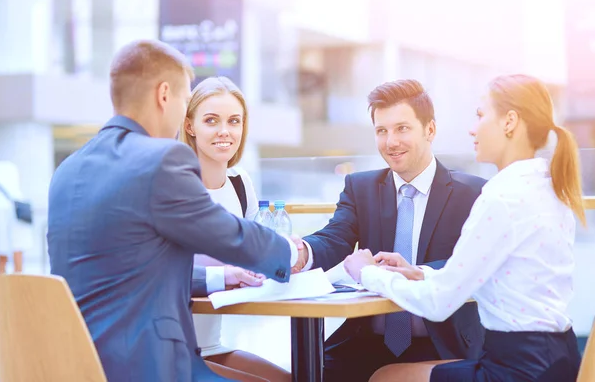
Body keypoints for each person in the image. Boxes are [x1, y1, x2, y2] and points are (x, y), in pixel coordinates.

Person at [48, 40, 303, 382]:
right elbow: (228, 235)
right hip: (151, 367)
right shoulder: (163, 159)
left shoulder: (68, 169)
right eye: (185, 101)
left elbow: (131, 271)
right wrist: (291, 250)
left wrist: (220, 276)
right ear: (164, 95)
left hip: (78, 365)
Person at [344, 74, 584, 382]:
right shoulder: (548, 188)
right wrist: (420, 272)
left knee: (386, 377)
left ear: (509, 121)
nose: (473, 128)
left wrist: (367, 273)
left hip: (516, 370)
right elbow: (493, 276)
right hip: (558, 361)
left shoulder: (502, 198)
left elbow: (438, 303)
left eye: (481, 115)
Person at [292, 79, 487, 382]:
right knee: (307, 374)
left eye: (402, 129)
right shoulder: (360, 187)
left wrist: (413, 271)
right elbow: (335, 238)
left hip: (441, 342)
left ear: (430, 130)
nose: (390, 141)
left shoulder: (471, 193)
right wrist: (301, 252)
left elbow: (471, 266)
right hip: (366, 340)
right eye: (382, 131)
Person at [180, 76, 291, 382]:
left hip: (211, 345)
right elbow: (164, 271)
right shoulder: (175, 186)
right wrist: (228, 275)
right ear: (190, 126)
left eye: (234, 121)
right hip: (174, 349)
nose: (224, 131)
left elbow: (254, 253)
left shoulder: (241, 185)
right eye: (211, 121)